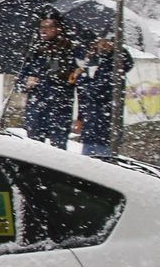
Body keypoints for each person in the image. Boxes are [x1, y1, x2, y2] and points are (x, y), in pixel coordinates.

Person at [18, 12, 78, 148]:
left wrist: (58, 76)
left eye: (48, 27)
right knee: (34, 149)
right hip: (36, 109)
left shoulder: (69, 50)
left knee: (58, 149)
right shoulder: (33, 51)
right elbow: (20, 78)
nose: (43, 30)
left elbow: (73, 79)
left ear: (58, 29)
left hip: (59, 110)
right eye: (41, 27)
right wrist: (26, 82)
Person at [76, 36, 133, 158]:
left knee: (100, 164)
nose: (101, 45)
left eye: (105, 41)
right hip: (92, 126)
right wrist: (81, 117)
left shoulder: (114, 64)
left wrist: (84, 80)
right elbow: (84, 95)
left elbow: (100, 91)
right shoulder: (95, 62)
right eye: (99, 41)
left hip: (104, 127)